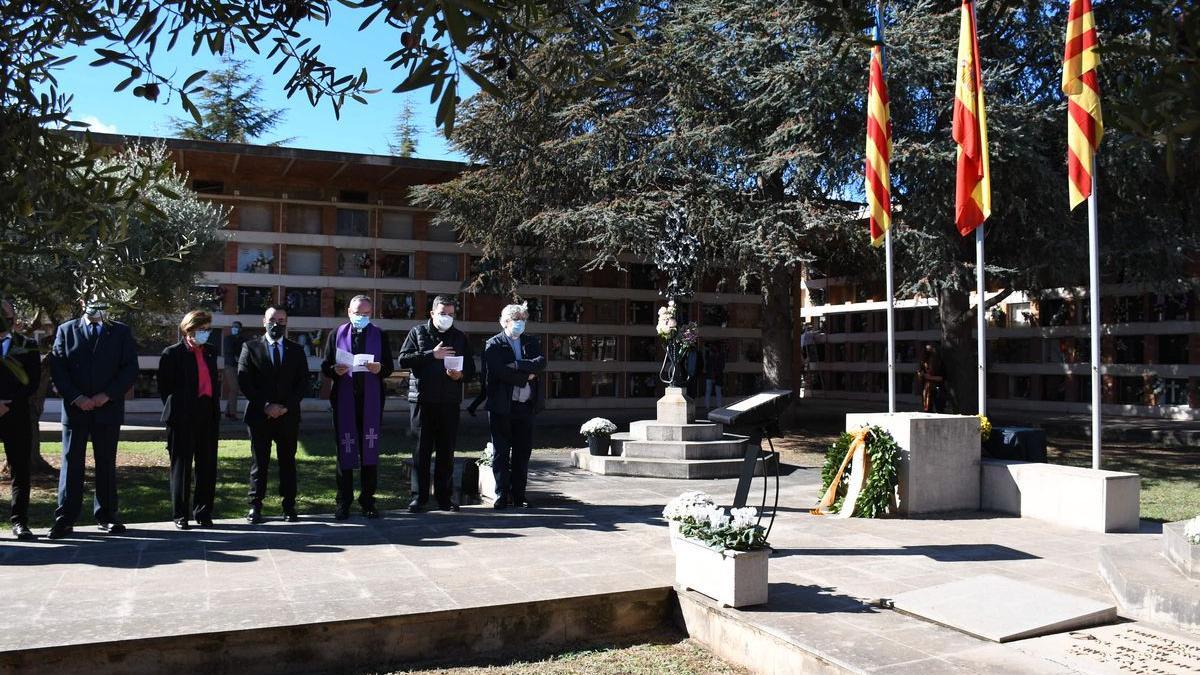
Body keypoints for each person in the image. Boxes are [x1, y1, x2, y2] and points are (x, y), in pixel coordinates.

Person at [48, 298, 138, 538]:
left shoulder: (120, 331)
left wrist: (106, 395)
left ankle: (107, 515)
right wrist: (77, 397)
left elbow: (129, 368)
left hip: (107, 409)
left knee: (106, 463)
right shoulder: (66, 330)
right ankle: (65, 518)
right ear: (82, 301)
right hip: (75, 409)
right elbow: (57, 368)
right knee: (71, 463)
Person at [399, 295, 475, 512]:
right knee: (421, 451)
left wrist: (459, 376)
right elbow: (404, 360)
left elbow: (470, 370)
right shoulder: (417, 333)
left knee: (446, 451)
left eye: (451, 314)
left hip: (449, 402)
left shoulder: (459, 337)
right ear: (432, 313)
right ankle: (419, 497)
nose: (447, 318)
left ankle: (444, 498)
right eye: (443, 313)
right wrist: (432, 355)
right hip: (422, 401)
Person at [321, 295, 393, 519]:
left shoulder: (379, 334)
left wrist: (379, 368)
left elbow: (389, 367)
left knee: (369, 452)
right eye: (357, 313)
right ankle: (343, 502)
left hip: (370, 402)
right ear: (348, 312)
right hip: (344, 401)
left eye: (365, 313)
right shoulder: (336, 334)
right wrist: (335, 370)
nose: (361, 317)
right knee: (345, 451)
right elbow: (325, 365)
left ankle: (368, 501)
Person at [238, 306, 309, 523]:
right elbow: (244, 381)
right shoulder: (250, 347)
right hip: (260, 416)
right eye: (272, 319)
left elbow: (303, 382)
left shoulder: (296, 350)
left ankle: (289, 506)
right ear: (264, 321)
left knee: (288, 462)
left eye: (281, 319)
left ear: (287, 322)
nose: (277, 323)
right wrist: (266, 405)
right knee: (260, 462)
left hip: (288, 416)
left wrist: (284, 407)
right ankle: (255, 506)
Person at [157, 310, 220, 530]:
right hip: (182, 416)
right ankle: (180, 514)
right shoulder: (172, 354)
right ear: (189, 329)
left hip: (207, 414)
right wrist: (180, 407)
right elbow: (164, 389)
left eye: (207, 329)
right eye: (201, 329)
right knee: (182, 466)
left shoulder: (211, 352)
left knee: (207, 465)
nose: (205, 333)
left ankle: (203, 512)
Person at [482, 303, 546, 510]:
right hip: (502, 406)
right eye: (516, 319)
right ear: (505, 321)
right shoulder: (494, 344)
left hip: (525, 406)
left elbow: (540, 362)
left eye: (523, 319)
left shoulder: (531, 341)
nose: (520, 323)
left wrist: (518, 365)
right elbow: (498, 372)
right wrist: (526, 376)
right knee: (501, 452)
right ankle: (501, 494)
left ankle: (519, 496)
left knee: (522, 452)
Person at [0, 299, 41, 540]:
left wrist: (7, 404)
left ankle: (19, 522)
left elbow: (32, 382)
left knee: (20, 471)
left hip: (16, 416)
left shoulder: (29, 345)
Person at [221, 320, 245, 419]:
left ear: (240, 329)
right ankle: (232, 413)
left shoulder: (242, 339)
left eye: (236, 327)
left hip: (239, 366)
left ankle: (227, 411)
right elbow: (229, 351)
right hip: (230, 366)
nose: (234, 328)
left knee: (234, 389)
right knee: (234, 389)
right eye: (233, 326)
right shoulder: (228, 339)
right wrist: (237, 357)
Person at [917, 343, 946, 413]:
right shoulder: (923, 362)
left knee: (939, 408)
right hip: (927, 388)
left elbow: (942, 377)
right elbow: (920, 374)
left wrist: (930, 377)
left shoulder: (939, 363)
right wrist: (921, 375)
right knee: (928, 408)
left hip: (937, 387)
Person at [703, 342, 725, 409]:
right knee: (717, 392)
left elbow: (707, 367)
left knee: (708, 391)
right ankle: (718, 406)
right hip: (717, 376)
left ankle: (707, 406)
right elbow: (722, 367)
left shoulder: (709, 358)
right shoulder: (720, 357)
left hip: (710, 376)